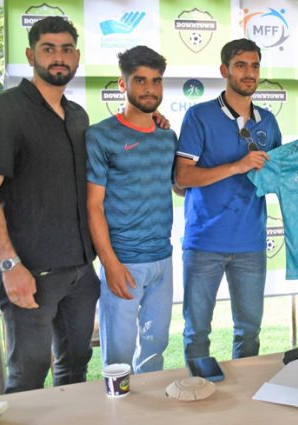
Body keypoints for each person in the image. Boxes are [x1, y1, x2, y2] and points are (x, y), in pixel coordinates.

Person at [0, 17, 99, 392]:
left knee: (75, 372)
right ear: (31, 54)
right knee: (27, 379)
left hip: (80, 272)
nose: (58, 57)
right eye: (48, 48)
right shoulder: (3, 112)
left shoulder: (78, 116)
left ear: (76, 56)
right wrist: (10, 266)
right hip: (29, 274)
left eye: (66, 49)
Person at [175, 39, 282, 361]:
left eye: (255, 65)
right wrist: (238, 166)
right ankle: (196, 394)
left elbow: (278, 175)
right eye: (241, 65)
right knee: (197, 330)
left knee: (249, 330)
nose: (249, 72)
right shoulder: (199, 116)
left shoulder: (268, 121)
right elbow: (183, 178)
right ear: (225, 70)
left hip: (250, 243)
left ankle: (245, 404)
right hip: (205, 242)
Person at [86, 46, 177, 373]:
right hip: (123, 262)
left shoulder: (168, 136)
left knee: (155, 354)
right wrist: (109, 263)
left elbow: (175, 186)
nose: (150, 88)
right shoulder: (101, 136)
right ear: (122, 85)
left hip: (163, 262)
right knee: (118, 362)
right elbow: (93, 205)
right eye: (140, 81)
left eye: (156, 80)